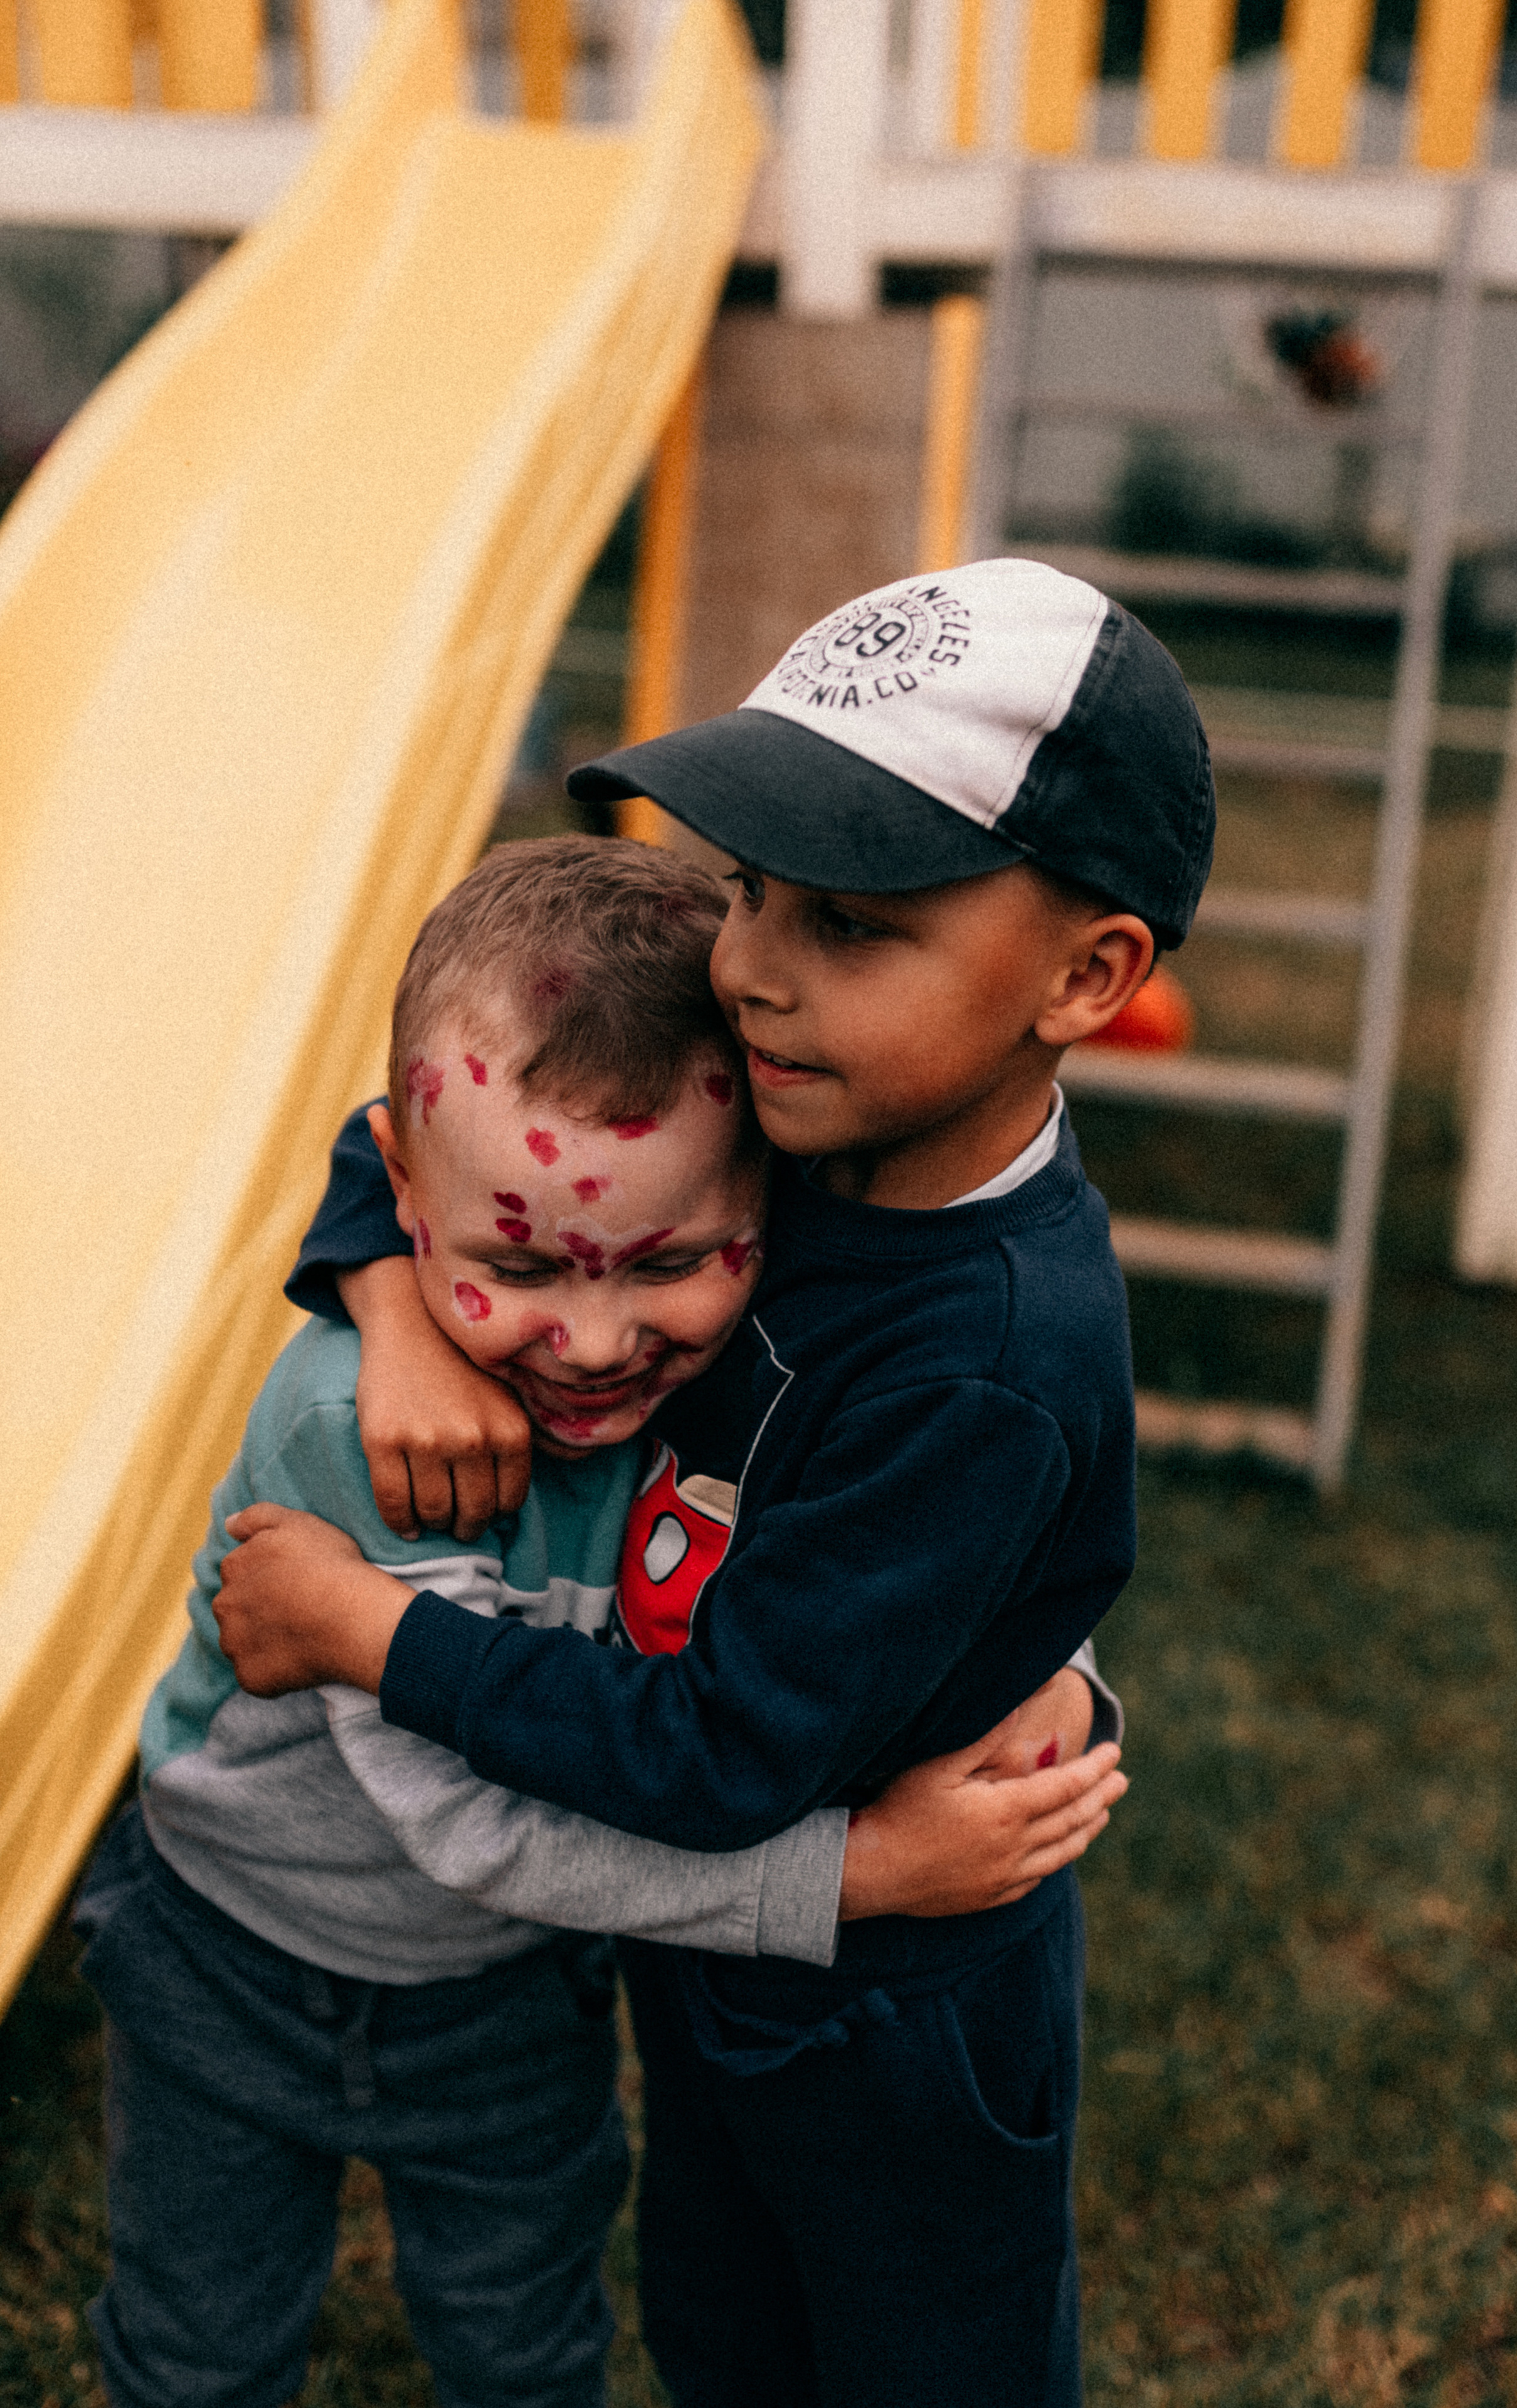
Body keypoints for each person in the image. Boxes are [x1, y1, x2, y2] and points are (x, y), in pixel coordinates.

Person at [214, 556, 1212, 2407]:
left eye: (843, 917)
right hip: (719, 1983)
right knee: (727, 2336)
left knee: (916, 2365)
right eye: (749, 888)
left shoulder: (984, 1360)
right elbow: (425, 1137)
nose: (744, 964)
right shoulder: (821, 1109)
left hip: (894, 2006)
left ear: (1087, 977)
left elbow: (710, 1758)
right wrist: (400, 1312)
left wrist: (371, 1636)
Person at [79, 834, 1124, 2408]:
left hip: (513, 1993)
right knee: (197, 2351)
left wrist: (1045, 1662)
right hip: (233, 1960)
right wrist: (866, 1875)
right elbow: (482, 1827)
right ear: (406, 1208)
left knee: (527, 2342)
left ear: (761, 1209)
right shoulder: (351, 1440)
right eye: (511, 1264)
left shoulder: (737, 1346)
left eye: (671, 1263)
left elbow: (906, 1498)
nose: (587, 1341)